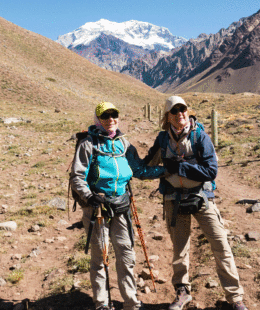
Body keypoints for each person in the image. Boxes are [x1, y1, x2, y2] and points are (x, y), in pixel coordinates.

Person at [142, 96, 247, 310]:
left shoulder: (200, 136)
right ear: (167, 116)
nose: (180, 113)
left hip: (201, 198)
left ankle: (235, 298)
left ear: (188, 112)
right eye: (175, 110)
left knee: (221, 245)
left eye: (183, 109)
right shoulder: (163, 140)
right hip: (174, 199)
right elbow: (146, 167)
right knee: (179, 249)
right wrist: (160, 169)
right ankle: (182, 291)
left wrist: (179, 167)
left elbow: (211, 171)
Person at [70, 101, 166, 310]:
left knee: (126, 254)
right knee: (100, 257)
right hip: (97, 209)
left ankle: (131, 301)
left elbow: (139, 170)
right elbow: (77, 176)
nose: (110, 120)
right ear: (98, 119)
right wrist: (89, 196)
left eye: (114, 115)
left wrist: (166, 170)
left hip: (121, 206)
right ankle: (102, 303)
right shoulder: (88, 144)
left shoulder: (124, 144)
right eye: (105, 116)